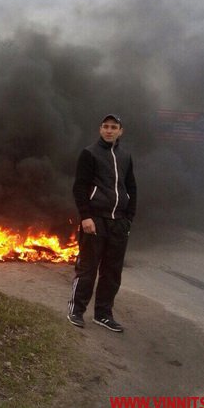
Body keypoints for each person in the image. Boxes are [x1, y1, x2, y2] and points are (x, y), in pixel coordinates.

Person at [67, 114, 137, 332]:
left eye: (113, 127)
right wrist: (85, 216)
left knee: (112, 271)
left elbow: (131, 188)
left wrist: (129, 218)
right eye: (105, 127)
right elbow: (80, 187)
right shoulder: (89, 153)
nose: (109, 130)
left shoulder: (125, 156)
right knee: (88, 268)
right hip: (95, 220)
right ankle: (76, 311)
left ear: (120, 131)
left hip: (119, 223)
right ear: (100, 129)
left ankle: (103, 314)